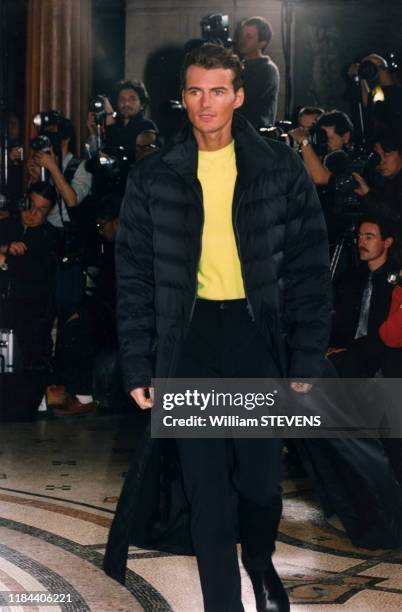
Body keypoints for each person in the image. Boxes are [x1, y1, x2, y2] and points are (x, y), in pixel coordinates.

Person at [104, 43, 331, 612]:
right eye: (195, 91)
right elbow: (131, 277)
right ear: (182, 97)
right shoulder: (155, 176)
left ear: (239, 95)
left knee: (260, 488)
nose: (206, 104)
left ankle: (258, 560)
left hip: (258, 339)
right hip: (190, 343)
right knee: (206, 492)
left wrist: (305, 359)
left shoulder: (278, 168)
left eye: (219, 90)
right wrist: (138, 361)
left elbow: (308, 267)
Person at [328, 215, 399, 377]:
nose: (361, 242)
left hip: (383, 356)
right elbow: (338, 319)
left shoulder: (396, 281)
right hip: (349, 353)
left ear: (387, 242)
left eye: (369, 237)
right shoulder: (349, 278)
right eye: (360, 236)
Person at [235, 17, 279, 128]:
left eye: (249, 37)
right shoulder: (241, 65)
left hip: (255, 134)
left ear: (262, 43)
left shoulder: (267, 69)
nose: (242, 40)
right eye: (241, 35)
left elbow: (243, 101)